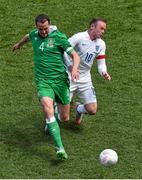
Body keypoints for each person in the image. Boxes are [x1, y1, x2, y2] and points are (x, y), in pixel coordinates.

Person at [12, 14, 80, 160]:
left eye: (45, 29)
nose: (43, 32)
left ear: (49, 25)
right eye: (40, 29)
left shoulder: (59, 37)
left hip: (60, 81)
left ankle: (55, 117)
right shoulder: (34, 34)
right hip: (43, 81)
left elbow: (75, 55)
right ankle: (59, 148)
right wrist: (19, 45)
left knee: (65, 117)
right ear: (36, 27)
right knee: (46, 108)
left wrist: (74, 69)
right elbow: (27, 36)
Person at [64, 17, 111, 124]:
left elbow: (101, 64)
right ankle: (50, 122)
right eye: (101, 28)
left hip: (85, 78)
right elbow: (63, 51)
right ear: (92, 26)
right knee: (64, 116)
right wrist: (70, 67)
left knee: (92, 110)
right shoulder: (79, 37)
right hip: (68, 76)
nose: (103, 32)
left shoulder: (101, 44)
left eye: (104, 30)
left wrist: (104, 72)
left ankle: (78, 108)